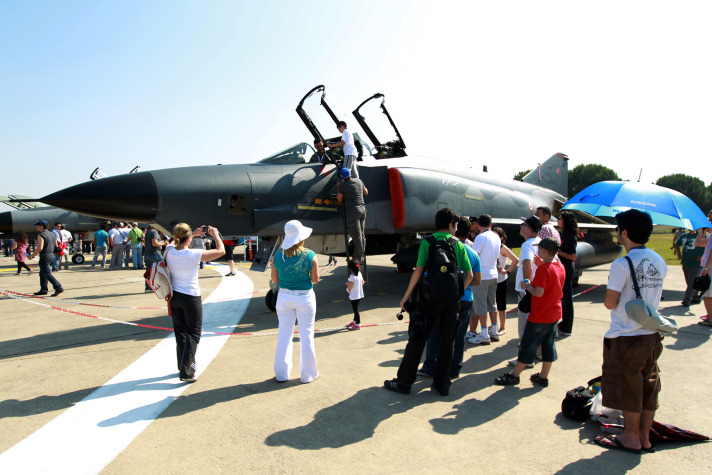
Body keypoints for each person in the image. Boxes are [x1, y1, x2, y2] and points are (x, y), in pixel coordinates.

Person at [595, 209, 666, 453]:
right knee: (649, 385)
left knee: (629, 387)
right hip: (650, 335)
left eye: (617, 229)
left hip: (626, 336)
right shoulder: (659, 260)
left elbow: (609, 303)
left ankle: (630, 437)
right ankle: (644, 437)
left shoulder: (621, 264)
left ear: (624, 232)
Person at [384, 208, 473, 396]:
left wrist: (406, 295)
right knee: (447, 342)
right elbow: (470, 274)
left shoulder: (427, 241)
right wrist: (457, 293)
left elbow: (418, 269)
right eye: (456, 225)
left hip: (428, 299)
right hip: (451, 301)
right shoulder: (459, 245)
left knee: (417, 340)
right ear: (451, 225)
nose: (456, 229)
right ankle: (442, 384)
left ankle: (404, 383)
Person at [494, 237, 565, 387]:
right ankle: (543, 376)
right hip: (554, 312)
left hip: (540, 314)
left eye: (539, 249)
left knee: (528, 344)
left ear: (544, 251)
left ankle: (515, 375)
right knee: (548, 345)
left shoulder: (543, 270)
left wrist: (527, 285)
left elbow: (538, 292)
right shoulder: (559, 265)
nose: (537, 252)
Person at [418, 217, 481, 379]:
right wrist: (459, 288)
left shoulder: (438, 248)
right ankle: (454, 369)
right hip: (465, 299)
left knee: (435, 333)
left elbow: (426, 274)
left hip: (441, 298)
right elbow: (476, 280)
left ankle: (430, 367)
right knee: (459, 336)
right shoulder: (473, 253)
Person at [165, 223, 225, 382]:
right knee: (194, 333)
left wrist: (194, 234)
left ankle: (182, 365)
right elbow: (221, 251)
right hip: (190, 297)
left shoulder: (169, 251)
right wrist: (215, 234)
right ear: (189, 238)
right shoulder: (192, 254)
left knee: (180, 333)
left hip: (174, 296)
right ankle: (187, 371)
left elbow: (172, 243)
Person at [271, 220, 320, 383]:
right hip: (304, 297)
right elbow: (315, 280)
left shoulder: (278, 255)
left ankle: (281, 374)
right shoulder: (310, 255)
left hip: (284, 297)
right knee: (307, 335)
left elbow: (274, 279)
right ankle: (308, 374)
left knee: (284, 334)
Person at [469, 214, 502, 345]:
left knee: (480, 305)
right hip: (494, 273)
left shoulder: (480, 237)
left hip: (482, 274)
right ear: (491, 224)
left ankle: (483, 333)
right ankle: (494, 330)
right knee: (492, 303)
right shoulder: (496, 236)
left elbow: (474, 256)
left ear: (478, 224)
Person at [514, 216, 542, 359]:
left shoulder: (527, 245)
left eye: (522, 224)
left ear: (527, 228)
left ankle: (526, 357)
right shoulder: (541, 242)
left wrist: (527, 283)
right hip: (539, 289)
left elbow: (527, 264)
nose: (520, 226)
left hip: (529, 291)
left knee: (525, 325)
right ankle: (539, 352)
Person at [336, 167, 368, 262]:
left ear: (342, 176)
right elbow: (366, 192)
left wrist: (339, 187)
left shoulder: (343, 185)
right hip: (362, 208)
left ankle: (357, 258)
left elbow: (339, 199)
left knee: (356, 235)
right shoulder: (358, 181)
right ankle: (361, 254)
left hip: (353, 211)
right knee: (362, 234)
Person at [557, 211, 579, 335]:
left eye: (560, 218)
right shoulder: (563, 234)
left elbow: (573, 256)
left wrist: (557, 252)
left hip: (567, 269)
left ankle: (567, 327)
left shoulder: (570, 236)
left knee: (567, 299)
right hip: (563, 269)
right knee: (563, 298)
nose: (558, 220)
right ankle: (564, 324)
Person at [494, 227, 518, 335]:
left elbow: (515, 260)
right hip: (490, 279)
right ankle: (494, 323)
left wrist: (507, 271)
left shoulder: (502, 248)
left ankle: (502, 327)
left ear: (501, 238)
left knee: (501, 304)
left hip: (500, 280)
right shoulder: (490, 246)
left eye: (496, 236)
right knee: (491, 304)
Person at [28, 220, 63, 296]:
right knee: (42, 273)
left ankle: (58, 287)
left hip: (45, 257)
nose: (36, 227)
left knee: (47, 274)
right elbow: (56, 246)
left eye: (37, 225)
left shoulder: (41, 235)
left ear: (41, 226)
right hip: (52, 256)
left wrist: (32, 256)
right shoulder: (52, 234)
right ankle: (43, 289)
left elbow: (40, 248)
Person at [676, 228, 703, 307]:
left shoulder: (700, 236)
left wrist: (702, 256)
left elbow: (707, 246)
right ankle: (696, 296)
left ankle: (687, 299)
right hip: (686, 262)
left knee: (691, 282)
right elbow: (677, 244)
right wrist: (679, 254)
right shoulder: (684, 236)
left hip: (696, 263)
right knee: (689, 281)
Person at [143, 224, 170, 292]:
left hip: (148, 254)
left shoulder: (148, 232)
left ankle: (148, 288)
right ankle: (165, 286)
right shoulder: (154, 232)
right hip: (155, 254)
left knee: (149, 272)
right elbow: (154, 243)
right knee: (163, 270)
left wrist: (159, 244)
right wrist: (164, 243)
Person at [345, 259, 365, 330]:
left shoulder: (352, 276)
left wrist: (349, 283)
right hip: (359, 294)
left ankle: (357, 324)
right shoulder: (359, 273)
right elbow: (362, 282)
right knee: (355, 308)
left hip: (354, 295)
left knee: (355, 310)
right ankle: (354, 321)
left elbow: (350, 287)